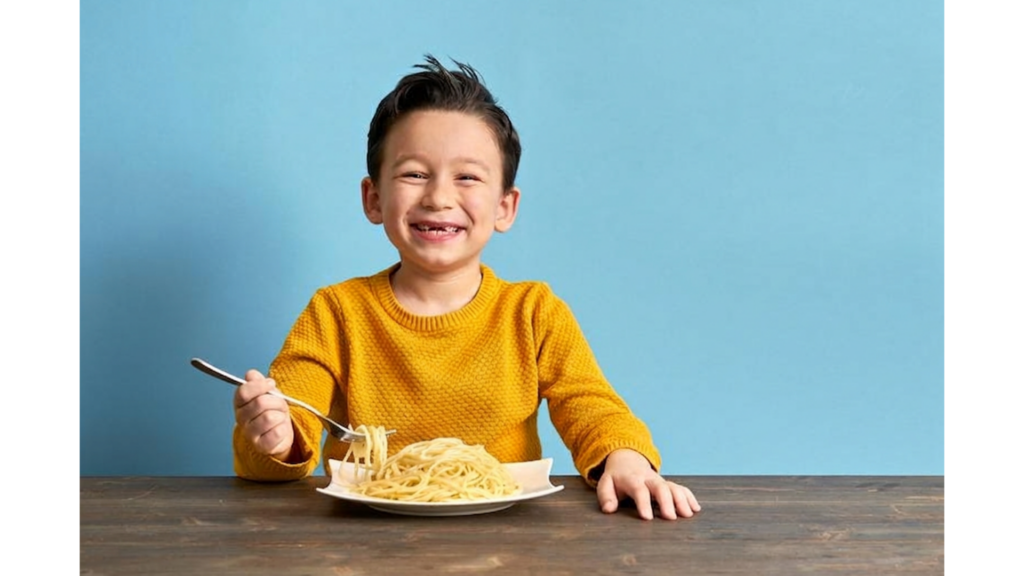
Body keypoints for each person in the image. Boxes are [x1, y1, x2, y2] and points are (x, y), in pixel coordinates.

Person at [232, 55, 701, 521]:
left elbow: (591, 404)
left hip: (508, 538)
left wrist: (624, 457)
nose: (438, 197)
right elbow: (292, 426)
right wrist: (275, 436)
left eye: (468, 177)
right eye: (414, 173)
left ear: (504, 207)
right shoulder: (336, 312)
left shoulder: (533, 311)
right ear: (374, 199)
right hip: (365, 539)